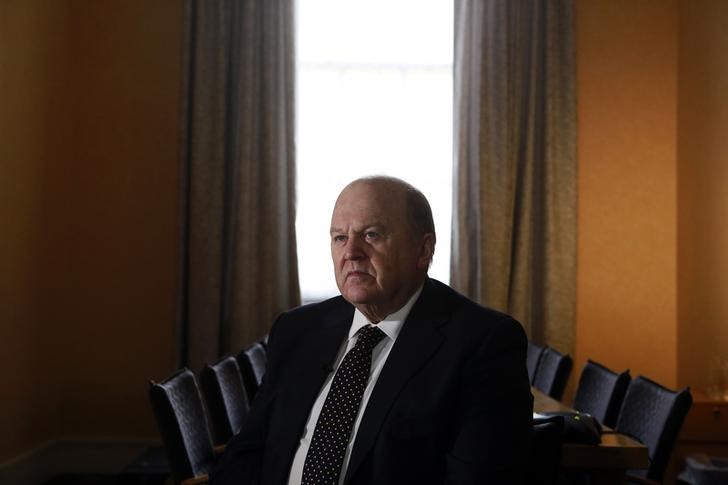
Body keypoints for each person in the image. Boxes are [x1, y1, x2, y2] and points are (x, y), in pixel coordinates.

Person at [212, 176, 533, 485]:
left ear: (424, 250)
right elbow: (247, 452)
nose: (350, 252)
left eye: (371, 235)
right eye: (339, 237)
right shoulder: (297, 330)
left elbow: (475, 477)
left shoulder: (484, 343)